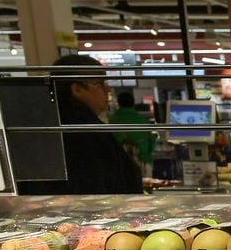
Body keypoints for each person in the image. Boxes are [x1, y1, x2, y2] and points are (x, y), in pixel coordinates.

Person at [20, 54, 142, 194]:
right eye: (100, 84)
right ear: (77, 89)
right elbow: (100, 182)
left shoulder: (39, 125)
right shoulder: (85, 130)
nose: (107, 90)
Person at [109, 90, 155, 167]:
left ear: (119, 104)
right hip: (143, 161)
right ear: (133, 104)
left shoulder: (112, 120)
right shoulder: (142, 120)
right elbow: (152, 140)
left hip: (121, 163)